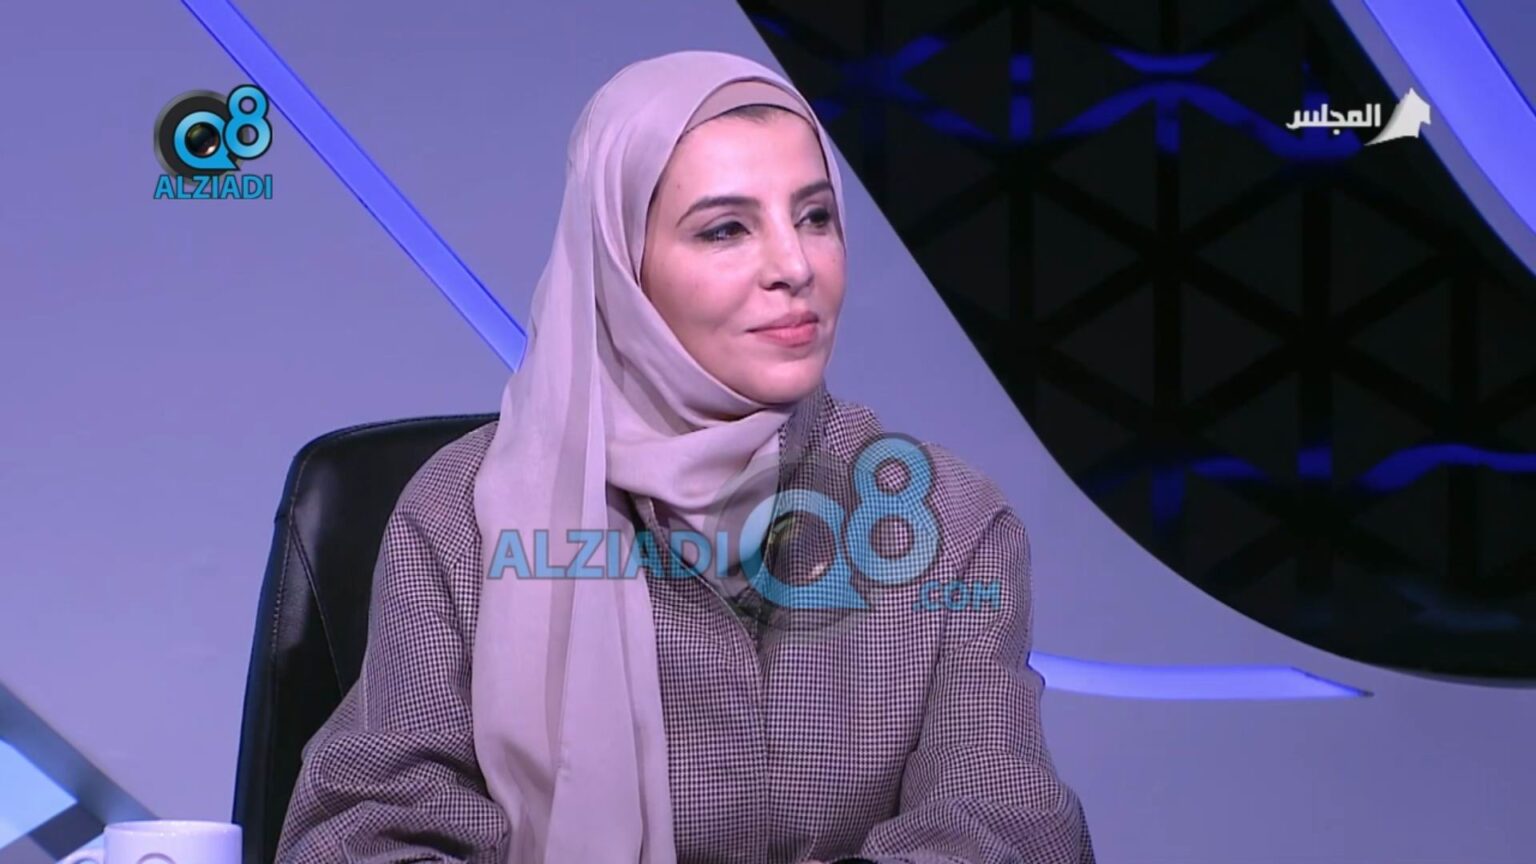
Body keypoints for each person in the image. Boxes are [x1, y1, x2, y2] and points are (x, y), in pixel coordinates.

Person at [274, 50, 1094, 864]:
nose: (794, 267)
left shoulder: (947, 519)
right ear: (622, 265)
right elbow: (364, 839)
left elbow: (1007, 828)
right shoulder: (461, 514)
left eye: (815, 217)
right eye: (726, 229)